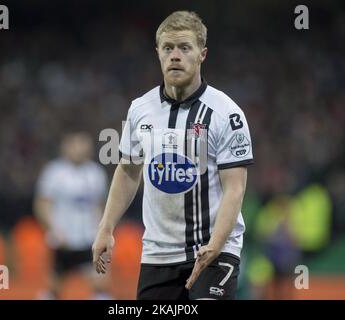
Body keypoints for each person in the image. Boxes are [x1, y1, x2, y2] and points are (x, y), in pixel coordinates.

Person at [92, 11, 254, 300]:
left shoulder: (227, 114)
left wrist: (216, 245)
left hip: (213, 250)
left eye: (184, 48)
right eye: (168, 48)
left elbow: (235, 188)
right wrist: (106, 227)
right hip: (158, 253)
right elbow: (128, 170)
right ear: (158, 53)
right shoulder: (140, 109)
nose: (175, 56)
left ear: (202, 54)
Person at [34, 132, 109, 299]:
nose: (79, 149)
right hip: (62, 240)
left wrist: (101, 231)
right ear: (66, 147)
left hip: (89, 239)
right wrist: (53, 230)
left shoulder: (96, 173)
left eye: (83, 144)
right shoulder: (54, 172)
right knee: (54, 288)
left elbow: (100, 207)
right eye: (75, 144)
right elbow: (42, 204)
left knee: (99, 286)